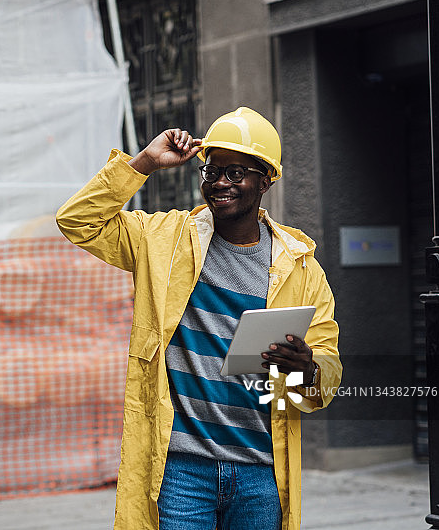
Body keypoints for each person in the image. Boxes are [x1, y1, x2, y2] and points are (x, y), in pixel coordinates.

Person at [56, 107, 341, 530]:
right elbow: (78, 221)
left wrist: (308, 368)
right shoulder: (163, 240)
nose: (220, 183)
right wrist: (144, 163)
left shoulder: (300, 268)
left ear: (265, 180)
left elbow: (327, 374)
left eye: (236, 172)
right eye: (212, 171)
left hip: (261, 471)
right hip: (181, 471)